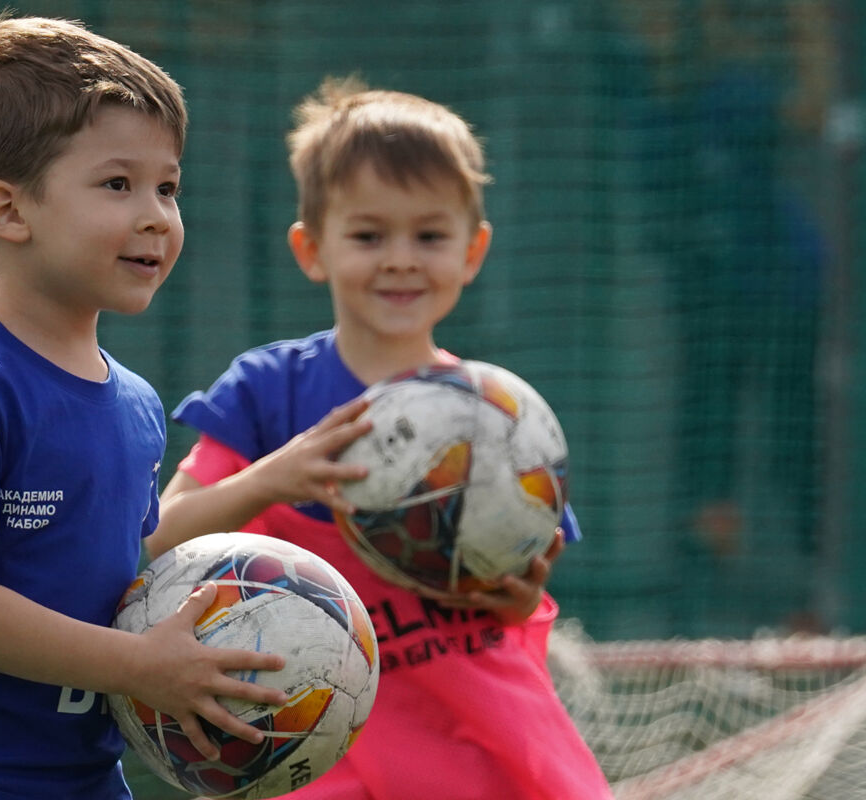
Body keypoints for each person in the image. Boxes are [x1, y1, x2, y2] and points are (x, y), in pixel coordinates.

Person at [0, 15, 288, 800]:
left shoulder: (138, 403)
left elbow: (131, 555)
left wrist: (272, 480)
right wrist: (143, 666)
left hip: (81, 777)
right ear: (9, 212)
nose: (156, 214)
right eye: (118, 184)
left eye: (168, 187)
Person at [146, 78, 612, 799]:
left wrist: (518, 601)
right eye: (369, 235)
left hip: (490, 758)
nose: (401, 258)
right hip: (328, 755)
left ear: (473, 251)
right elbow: (159, 540)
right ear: (312, 248)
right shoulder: (270, 394)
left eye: (429, 235)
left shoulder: (502, 422)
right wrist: (273, 478)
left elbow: (524, 604)